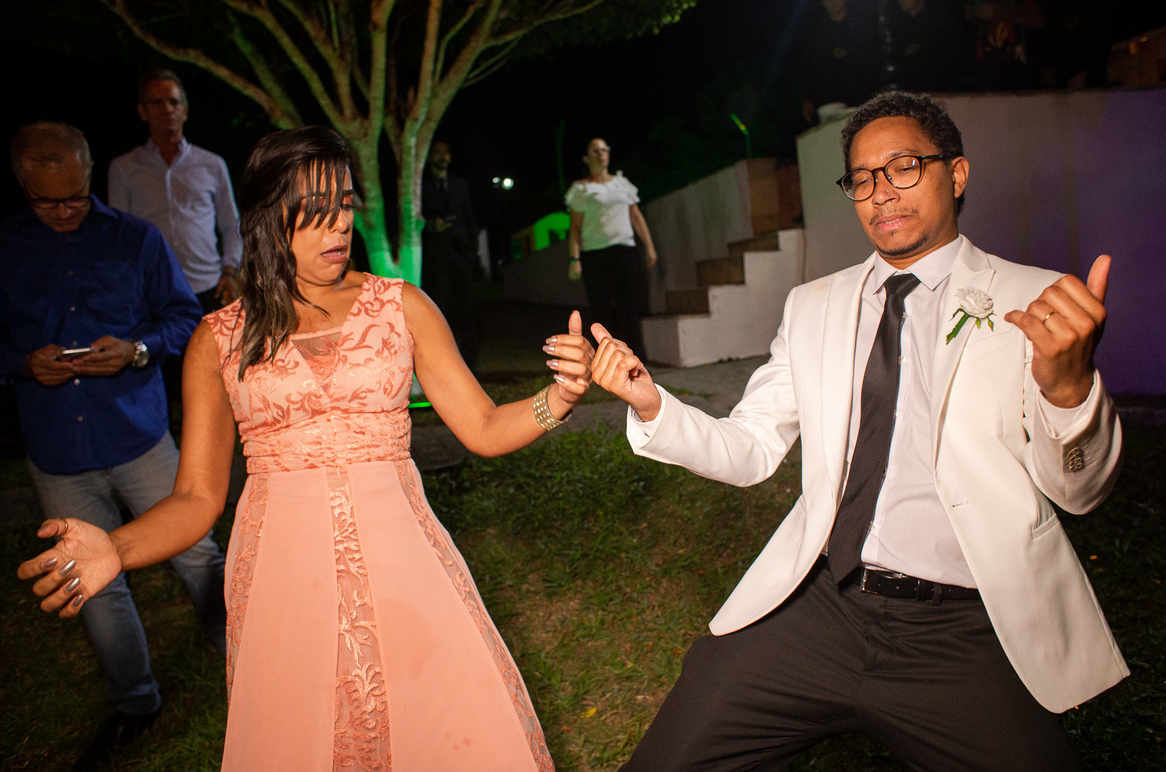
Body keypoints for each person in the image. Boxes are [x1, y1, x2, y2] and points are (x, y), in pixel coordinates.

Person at [20, 125, 595, 771]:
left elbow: (484, 427)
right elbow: (197, 498)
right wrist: (116, 547)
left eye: (345, 205)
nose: (339, 228)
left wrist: (560, 397)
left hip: (404, 559)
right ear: (269, 218)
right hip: (281, 577)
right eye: (317, 214)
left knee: (441, 728)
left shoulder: (400, 305)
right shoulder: (219, 339)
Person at [589, 91, 1126, 770]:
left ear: (955, 174)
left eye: (904, 167)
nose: (881, 193)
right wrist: (651, 404)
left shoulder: (1037, 301)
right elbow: (752, 448)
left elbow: (1083, 492)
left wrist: (1070, 388)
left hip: (961, 629)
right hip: (818, 611)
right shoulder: (814, 305)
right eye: (863, 178)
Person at [1, 122, 225, 769]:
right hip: (56, 444)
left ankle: (244, 654)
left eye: (74, 195)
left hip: (136, 430)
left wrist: (137, 350)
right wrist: (22, 362)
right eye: (49, 202)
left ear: (89, 174)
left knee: (196, 551)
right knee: (91, 576)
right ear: (23, 186)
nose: (65, 211)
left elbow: (185, 318)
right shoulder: (7, 248)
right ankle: (136, 702)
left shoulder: (135, 238)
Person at [109, 69, 242, 313]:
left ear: (186, 110)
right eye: (157, 102)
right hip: (152, 291)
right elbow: (119, 234)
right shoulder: (124, 168)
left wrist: (230, 271)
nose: (167, 109)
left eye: (174, 102)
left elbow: (230, 223)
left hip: (207, 286)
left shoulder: (212, 164)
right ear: (142, 111)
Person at [565, 137, 657, 362]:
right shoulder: (581, 188)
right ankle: (608, 364)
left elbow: (636, 216)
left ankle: (638, 362)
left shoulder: (621, 184)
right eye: (595, 150)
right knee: (602, 312)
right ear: (587, 158)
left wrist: (650, 248)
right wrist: (574, 258)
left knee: (630, 309)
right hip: (595, 255)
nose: (601, 153)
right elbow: (575, 228)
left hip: (625, 253)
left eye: (605, 149)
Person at [421, 139, 480, 368]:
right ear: (429, 157)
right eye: (437, 153)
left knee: (467, 310)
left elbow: (470, 218)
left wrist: (471, 251)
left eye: (446, 152)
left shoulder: (459, 185)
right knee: (441, 311)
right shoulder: (422, 186)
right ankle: (446, 364)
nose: (442, 156)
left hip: (461, 255)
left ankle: (471, 364)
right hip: (437, 259)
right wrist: (430, 225)